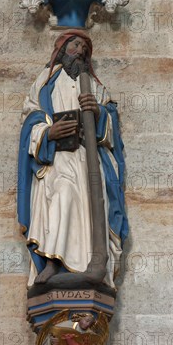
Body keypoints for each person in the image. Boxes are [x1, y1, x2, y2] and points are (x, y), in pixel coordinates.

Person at [17, 29, 128, 288]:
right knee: (62, 194)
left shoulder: (96, 87)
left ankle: (95, 264)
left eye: (85, 49)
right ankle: (53, 263)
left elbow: (113, 127)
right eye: (76, 45)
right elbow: (30, 118)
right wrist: (48, 132)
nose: (81, 51)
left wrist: (99, 113)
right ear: (63, 47)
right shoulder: (44, 82)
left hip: (88, 156)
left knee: (92, 204)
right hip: (57, 157)